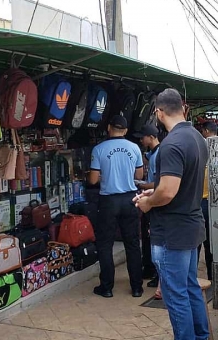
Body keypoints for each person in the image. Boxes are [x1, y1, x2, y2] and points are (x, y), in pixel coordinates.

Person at [133, 88, 209, 340]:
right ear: (183, 108)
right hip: (191, 225)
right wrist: (150, 194)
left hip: (172, 233)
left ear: (158, 112)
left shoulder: (171, 144)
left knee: (176, 296)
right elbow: (177, 182)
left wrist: (147, 204)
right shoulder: (197, 138)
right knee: (189, 289)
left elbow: (167, 192)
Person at [88, 115, 145, 298]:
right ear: (126, 131)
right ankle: (137, 288)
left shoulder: (99, 149)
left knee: (105, 244)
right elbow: (140, 174)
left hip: (109, 201)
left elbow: (93, 179)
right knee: (133, 244)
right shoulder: (134, 148)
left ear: (109, 128)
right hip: (130, 199)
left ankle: (107, 287)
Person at [132, 124, 161, 290]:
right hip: (151, 199)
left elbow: (157, 183)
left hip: (153, 201)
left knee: (152, 238)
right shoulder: (153, 153)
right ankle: (150, 271)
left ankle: (157, 276)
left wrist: (138, 184)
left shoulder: (159, 155)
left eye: (142, 137)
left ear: (150, 137)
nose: (141, 140)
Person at [199, 121, 218, 280]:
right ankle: (212, 276)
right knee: (211, 242)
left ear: (205, 131)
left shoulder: (200, 146)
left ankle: (192, 277)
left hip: (200, 201)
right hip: (215, 202)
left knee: (196, 240)